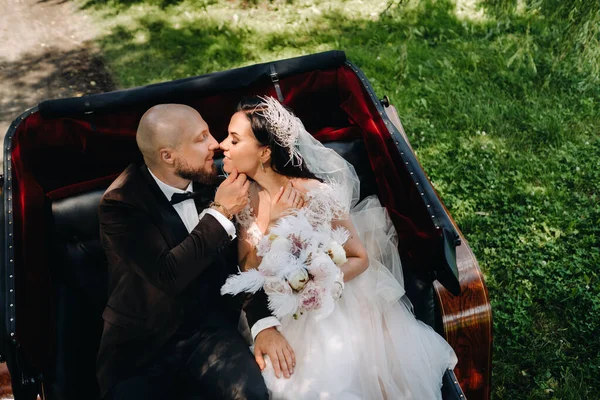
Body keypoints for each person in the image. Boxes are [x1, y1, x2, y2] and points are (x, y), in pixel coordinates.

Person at [219, 96, 458, 399]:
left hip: (334, 305)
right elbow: (247, 268)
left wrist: (316, 284)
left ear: (265, 152)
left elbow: (360, 257)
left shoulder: (316, 194)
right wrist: (270, 225)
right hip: (280, 310)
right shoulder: (246, 197)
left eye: (234, 140)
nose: (222, 145)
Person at [97, 104, 295, 400]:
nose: (215, 143)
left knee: (252, 394)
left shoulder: (219, 182)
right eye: (201, 137)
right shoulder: (121, 203)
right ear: (168, 155)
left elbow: (244, 261)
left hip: (211, 334)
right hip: (142, 349)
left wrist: (262, 323)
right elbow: (168, 274)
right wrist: (221, 211)